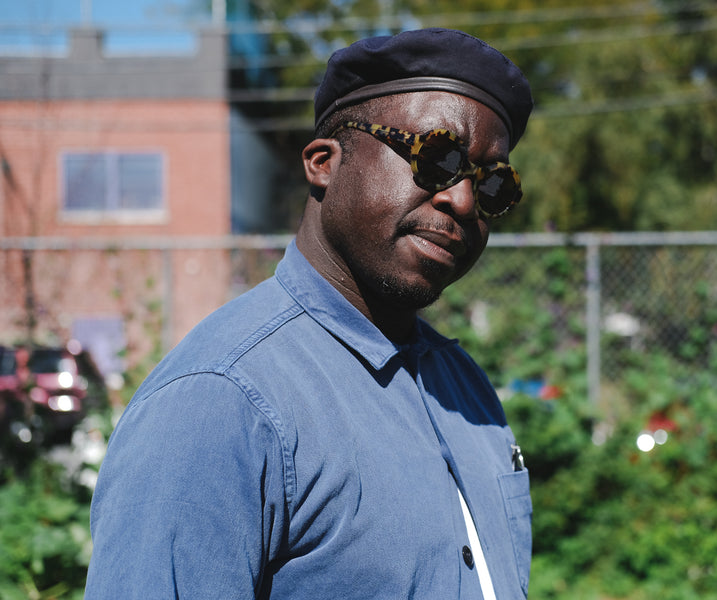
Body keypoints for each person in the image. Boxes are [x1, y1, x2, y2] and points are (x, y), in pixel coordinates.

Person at [85, 27, 533, 600]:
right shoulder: (221, 401)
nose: (463, 201)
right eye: (437, 157)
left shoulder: (463, 384)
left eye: (491, 182)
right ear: (324, 163)